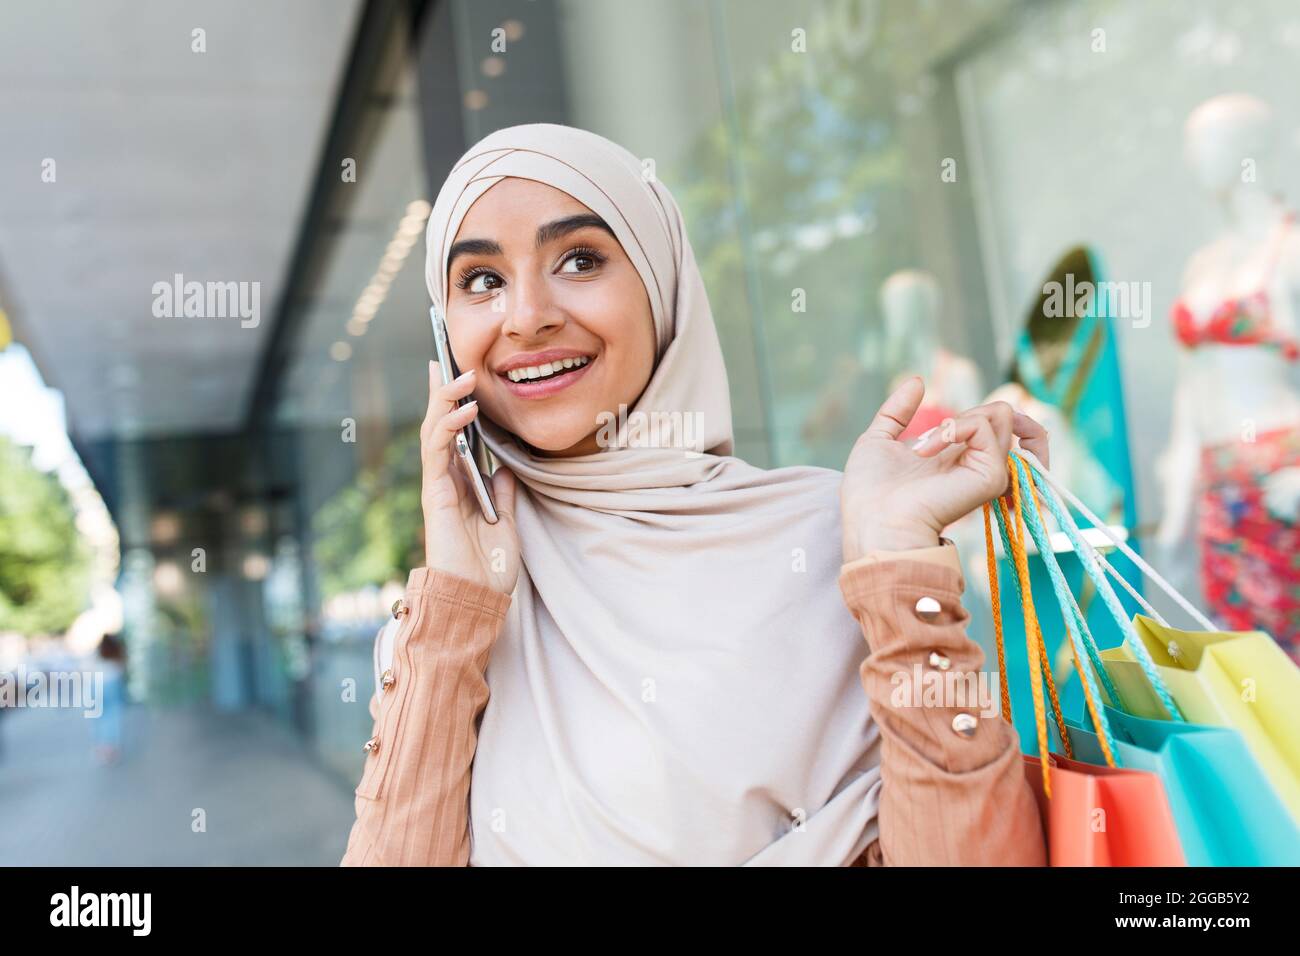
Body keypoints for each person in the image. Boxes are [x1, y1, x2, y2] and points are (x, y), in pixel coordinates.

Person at [341, 124, 1051, 866]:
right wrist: (456, 604)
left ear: (662, 284)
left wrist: (898, 560)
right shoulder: (449, 621)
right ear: (442, 328)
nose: (526, 316)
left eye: (578, 260)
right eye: (481, 280)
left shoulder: (834, 543)